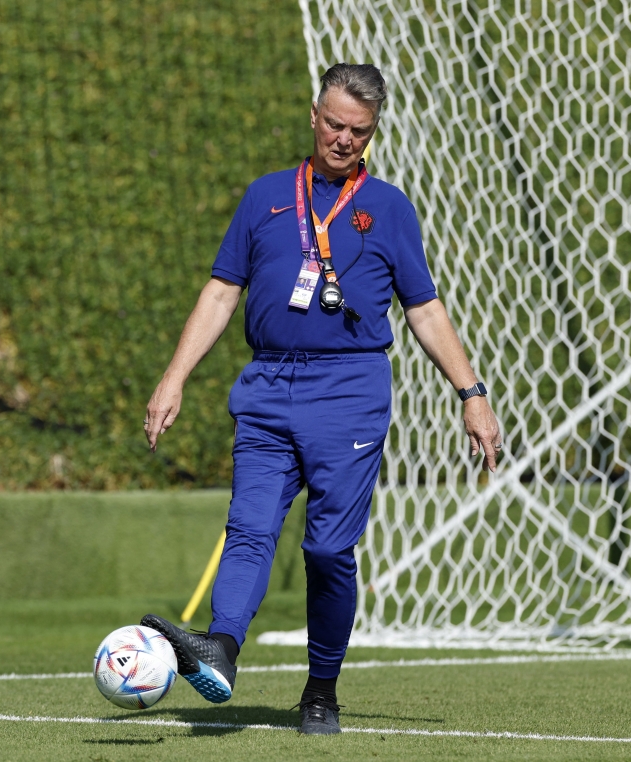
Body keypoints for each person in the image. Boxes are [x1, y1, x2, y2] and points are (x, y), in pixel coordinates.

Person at [140, 63, 502, 736]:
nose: (343, 139)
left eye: (358, 131)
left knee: (329, 552)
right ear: (313, 115)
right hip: (269, 386)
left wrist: (471, 393)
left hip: (350, 392)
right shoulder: (265, 197)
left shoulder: (388, 207)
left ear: (372, 133)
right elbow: (222, 292)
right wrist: (174, 377)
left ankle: (321, 690)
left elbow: (423, 309)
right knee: (248, 528)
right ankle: (220, 651)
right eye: (334, 124)